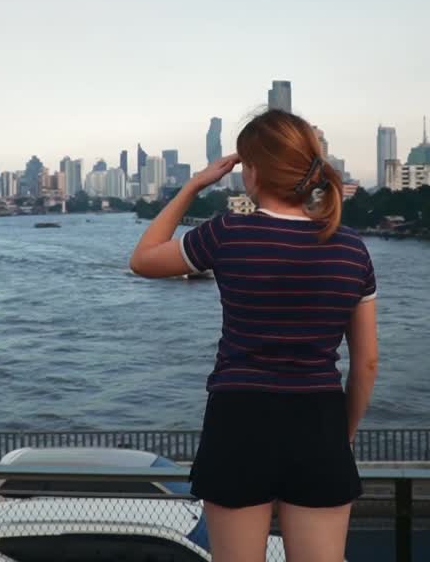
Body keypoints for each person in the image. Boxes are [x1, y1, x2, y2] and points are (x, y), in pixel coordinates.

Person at [130, 110, 379, 562]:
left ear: (253, 171)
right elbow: (366, 364)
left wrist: (192, 185)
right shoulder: (350, 249)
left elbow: (143, 259)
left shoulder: (228, 233)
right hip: (319, 418)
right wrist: (341, 434)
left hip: (239, 418)